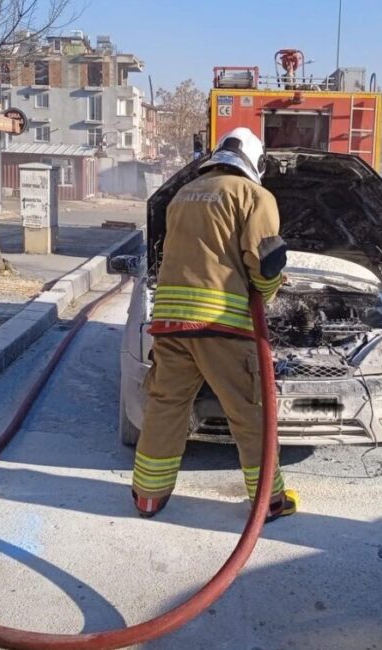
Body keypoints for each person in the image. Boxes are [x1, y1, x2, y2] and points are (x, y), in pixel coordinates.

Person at [131, 127, 298, 521]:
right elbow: (262, 262)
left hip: (170, 322)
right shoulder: (254, 196)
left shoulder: (182, 195)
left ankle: (148, 497)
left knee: (166, 408)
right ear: (256, 162)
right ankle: (269, 502)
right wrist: (271, 288)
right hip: (222, 322)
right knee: (250, 412)